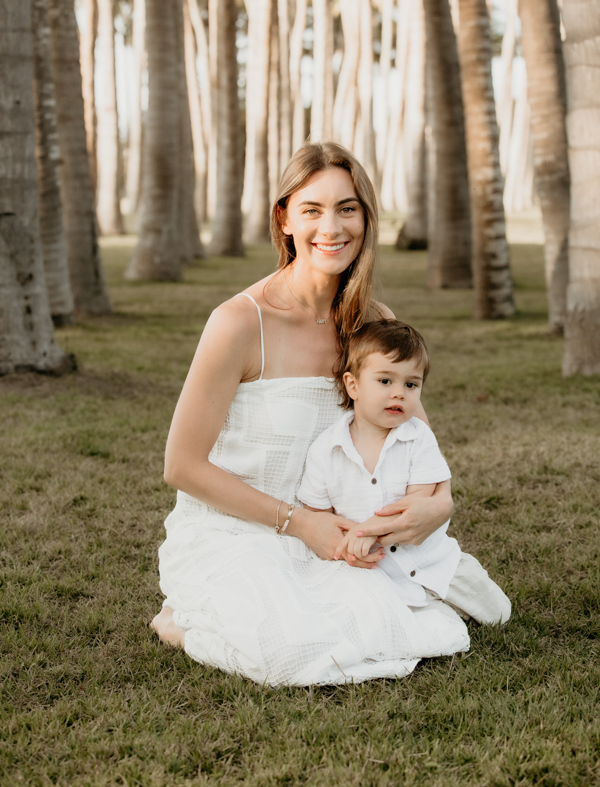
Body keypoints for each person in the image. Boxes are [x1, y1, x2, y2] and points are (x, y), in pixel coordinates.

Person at [152, 141, 471, 686]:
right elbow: (181, 466)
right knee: (289, 654)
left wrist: (436, 508)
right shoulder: (237, 322)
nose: (333, 227)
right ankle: (183, 617)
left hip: (341, 529)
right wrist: (302, 525)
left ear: (366, 219)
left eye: (347, 208)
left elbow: (414, 435)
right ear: (284, 219)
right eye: (312, 209)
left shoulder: (373, 321)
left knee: (423, 629)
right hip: (242, 530)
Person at [298, 319, 511, 625]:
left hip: (433, 560)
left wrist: (366, 529)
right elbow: (318, 515)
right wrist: (349, 546)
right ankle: (428, 614)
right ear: (353, 385)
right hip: (372, 569)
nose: (399, 393)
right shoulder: (326, 450)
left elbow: (418, 500)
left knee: (498, 613)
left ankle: (445, 601)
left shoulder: (418, 437)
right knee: (377, 621)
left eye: (410, 385)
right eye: (385, 381)